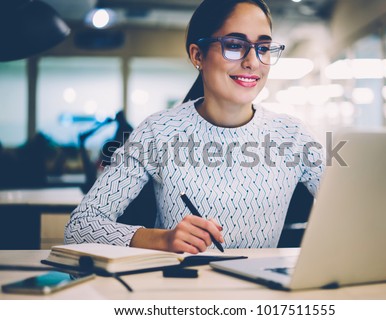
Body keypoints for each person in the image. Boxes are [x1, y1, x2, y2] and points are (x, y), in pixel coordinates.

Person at [65, 0, 324, 254]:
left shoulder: (293, 136)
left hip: (260, 294)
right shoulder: (159, 131)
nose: (253, 62)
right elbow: (79, 226)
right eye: (234, 45)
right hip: (180, 290)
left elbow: (357, 212)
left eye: (263, 48)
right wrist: (160, 240)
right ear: (197, 55)